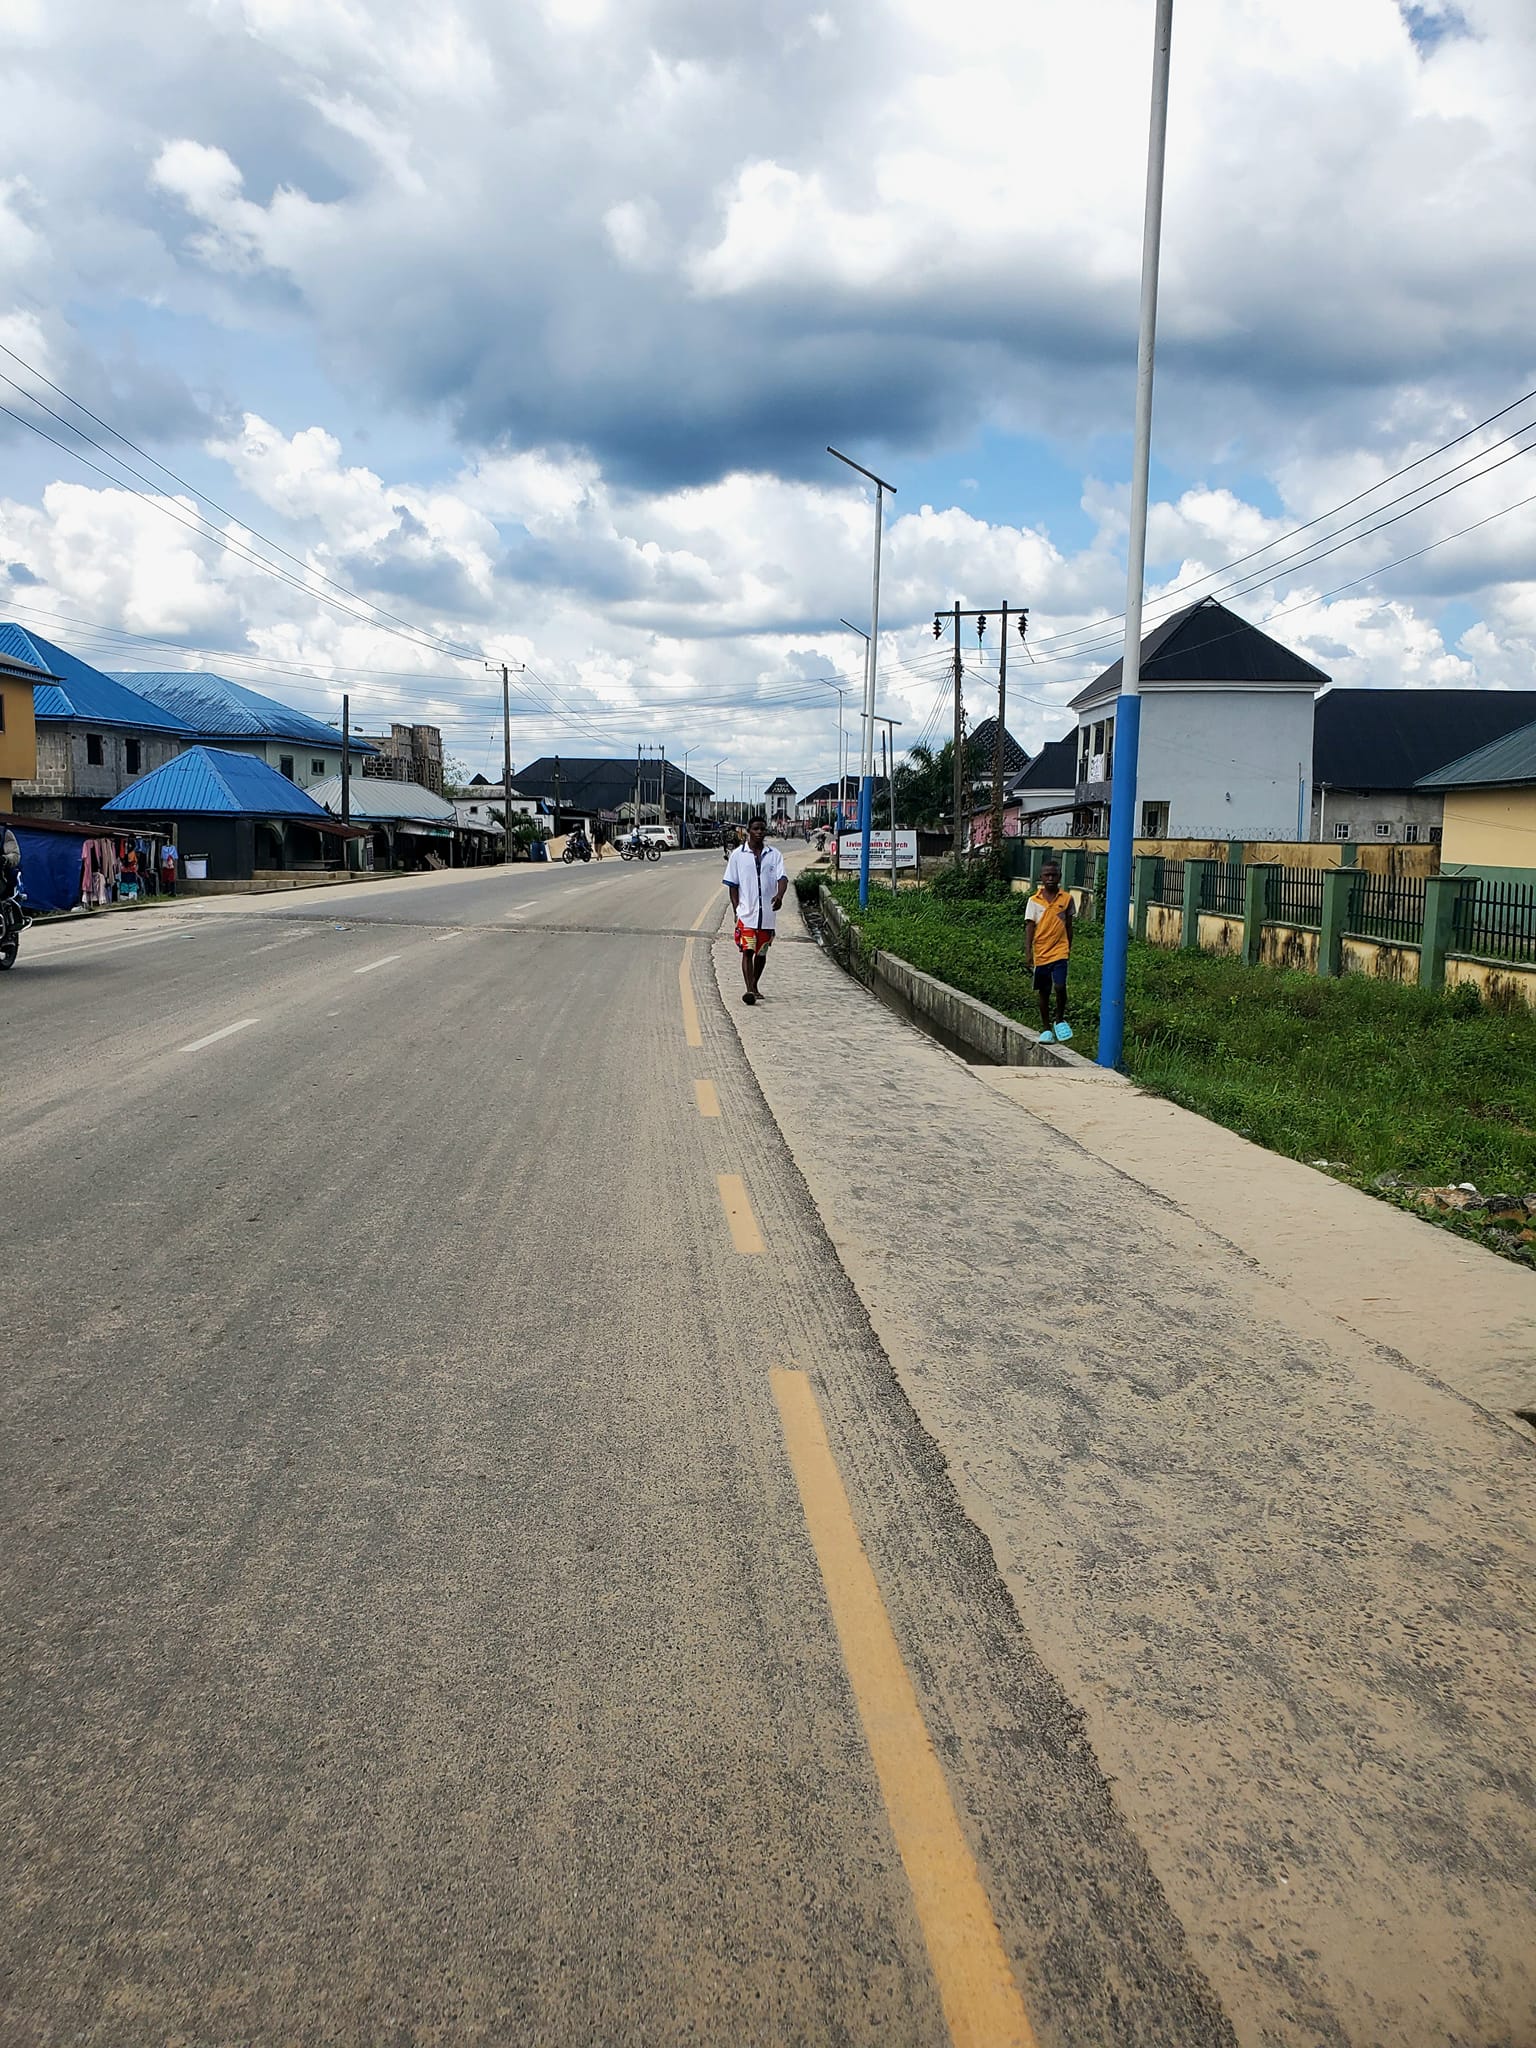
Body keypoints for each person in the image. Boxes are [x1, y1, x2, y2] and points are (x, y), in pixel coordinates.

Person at [724, 814, 787, 1006]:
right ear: (748, 831)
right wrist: (736, 909)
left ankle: (755, 984)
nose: (759, 832)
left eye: (762, 829)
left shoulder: (774, 855)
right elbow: (732, 885)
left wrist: (779, 896)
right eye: (756, 829)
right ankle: (749, 989)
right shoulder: (737, 855)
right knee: (747, 950)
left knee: (761, 953)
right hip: (747, 914)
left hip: (767, 915)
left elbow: (782, 878)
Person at [1023, 859, 1075, 1042]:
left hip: (1060, 950)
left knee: (1060, 986)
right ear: (1041, 877)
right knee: (1044, 991)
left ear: (1059, 876)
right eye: (1047, 875)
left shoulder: (1067, 899)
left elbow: (1069, 925)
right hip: (1041, 952)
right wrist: (1028, 952)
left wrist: (1069, 946)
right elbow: (1030, 927)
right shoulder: (1033, 901)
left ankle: (1059, 1020)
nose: (1051, 878)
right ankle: (1046, 1028)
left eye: (1054, 875)